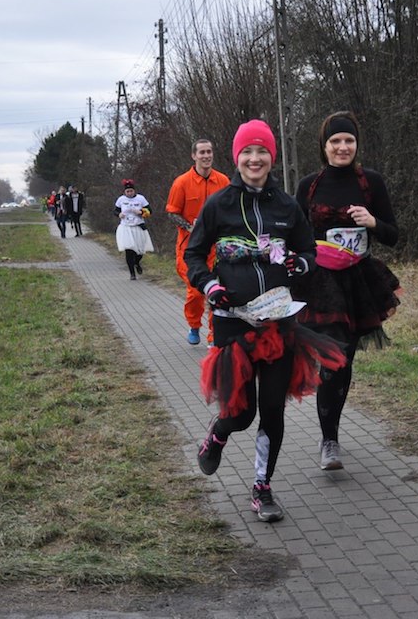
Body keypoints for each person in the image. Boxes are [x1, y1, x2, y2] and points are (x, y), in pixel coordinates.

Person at [186, 120, 346, 523]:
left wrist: (300, 264)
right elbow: (194, 255)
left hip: (278, 321)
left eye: (262, 152)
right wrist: (210, 286)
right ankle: (217, 435)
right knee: (240, 413)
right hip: (232, 322)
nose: (254, 159)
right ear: (236, 157)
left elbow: (308, 251)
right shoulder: (219, 204)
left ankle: (262, 487)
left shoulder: (286, 206)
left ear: (272, 157)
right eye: (247, 152)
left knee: (273, 409)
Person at [291, 111, 401, 471]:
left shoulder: (371, 182)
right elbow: (294, 234)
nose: (342, 147)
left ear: (357, 144)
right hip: (321, 284)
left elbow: (394, 235)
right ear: (324, 146)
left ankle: (331, 432)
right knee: (332, 357)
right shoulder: (309, 185)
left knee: (345, 359)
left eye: (348, 140)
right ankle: (329, 441)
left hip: (358, 282)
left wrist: (373, 222)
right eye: (335, 141)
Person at [166, 139, 230, 345]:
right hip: (190, 248)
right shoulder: (181, 183)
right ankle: (194, 325)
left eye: (209, 152)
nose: (206, 156)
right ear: (194, 156)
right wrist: (190, 226)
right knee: (195, 292)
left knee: (217, 290)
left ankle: (214, 335)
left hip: (216, 248)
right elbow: (172, 212)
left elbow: (231, 209)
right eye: (202, 152)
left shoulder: (223, 181)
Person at [114, 179, 154, 280]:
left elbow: (150, 211)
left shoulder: (141, 198)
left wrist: (141, 212)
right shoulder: (121, 199)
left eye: (131, 191)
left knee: (140, 251)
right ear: (124, 192)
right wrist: (119, 214)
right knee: (129, 250)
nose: (129, 193)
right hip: (126, 227)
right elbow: (115, 211)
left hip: (138, 226)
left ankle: (137, 262)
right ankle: (132, 273)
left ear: (134, 191)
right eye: (127, 191)